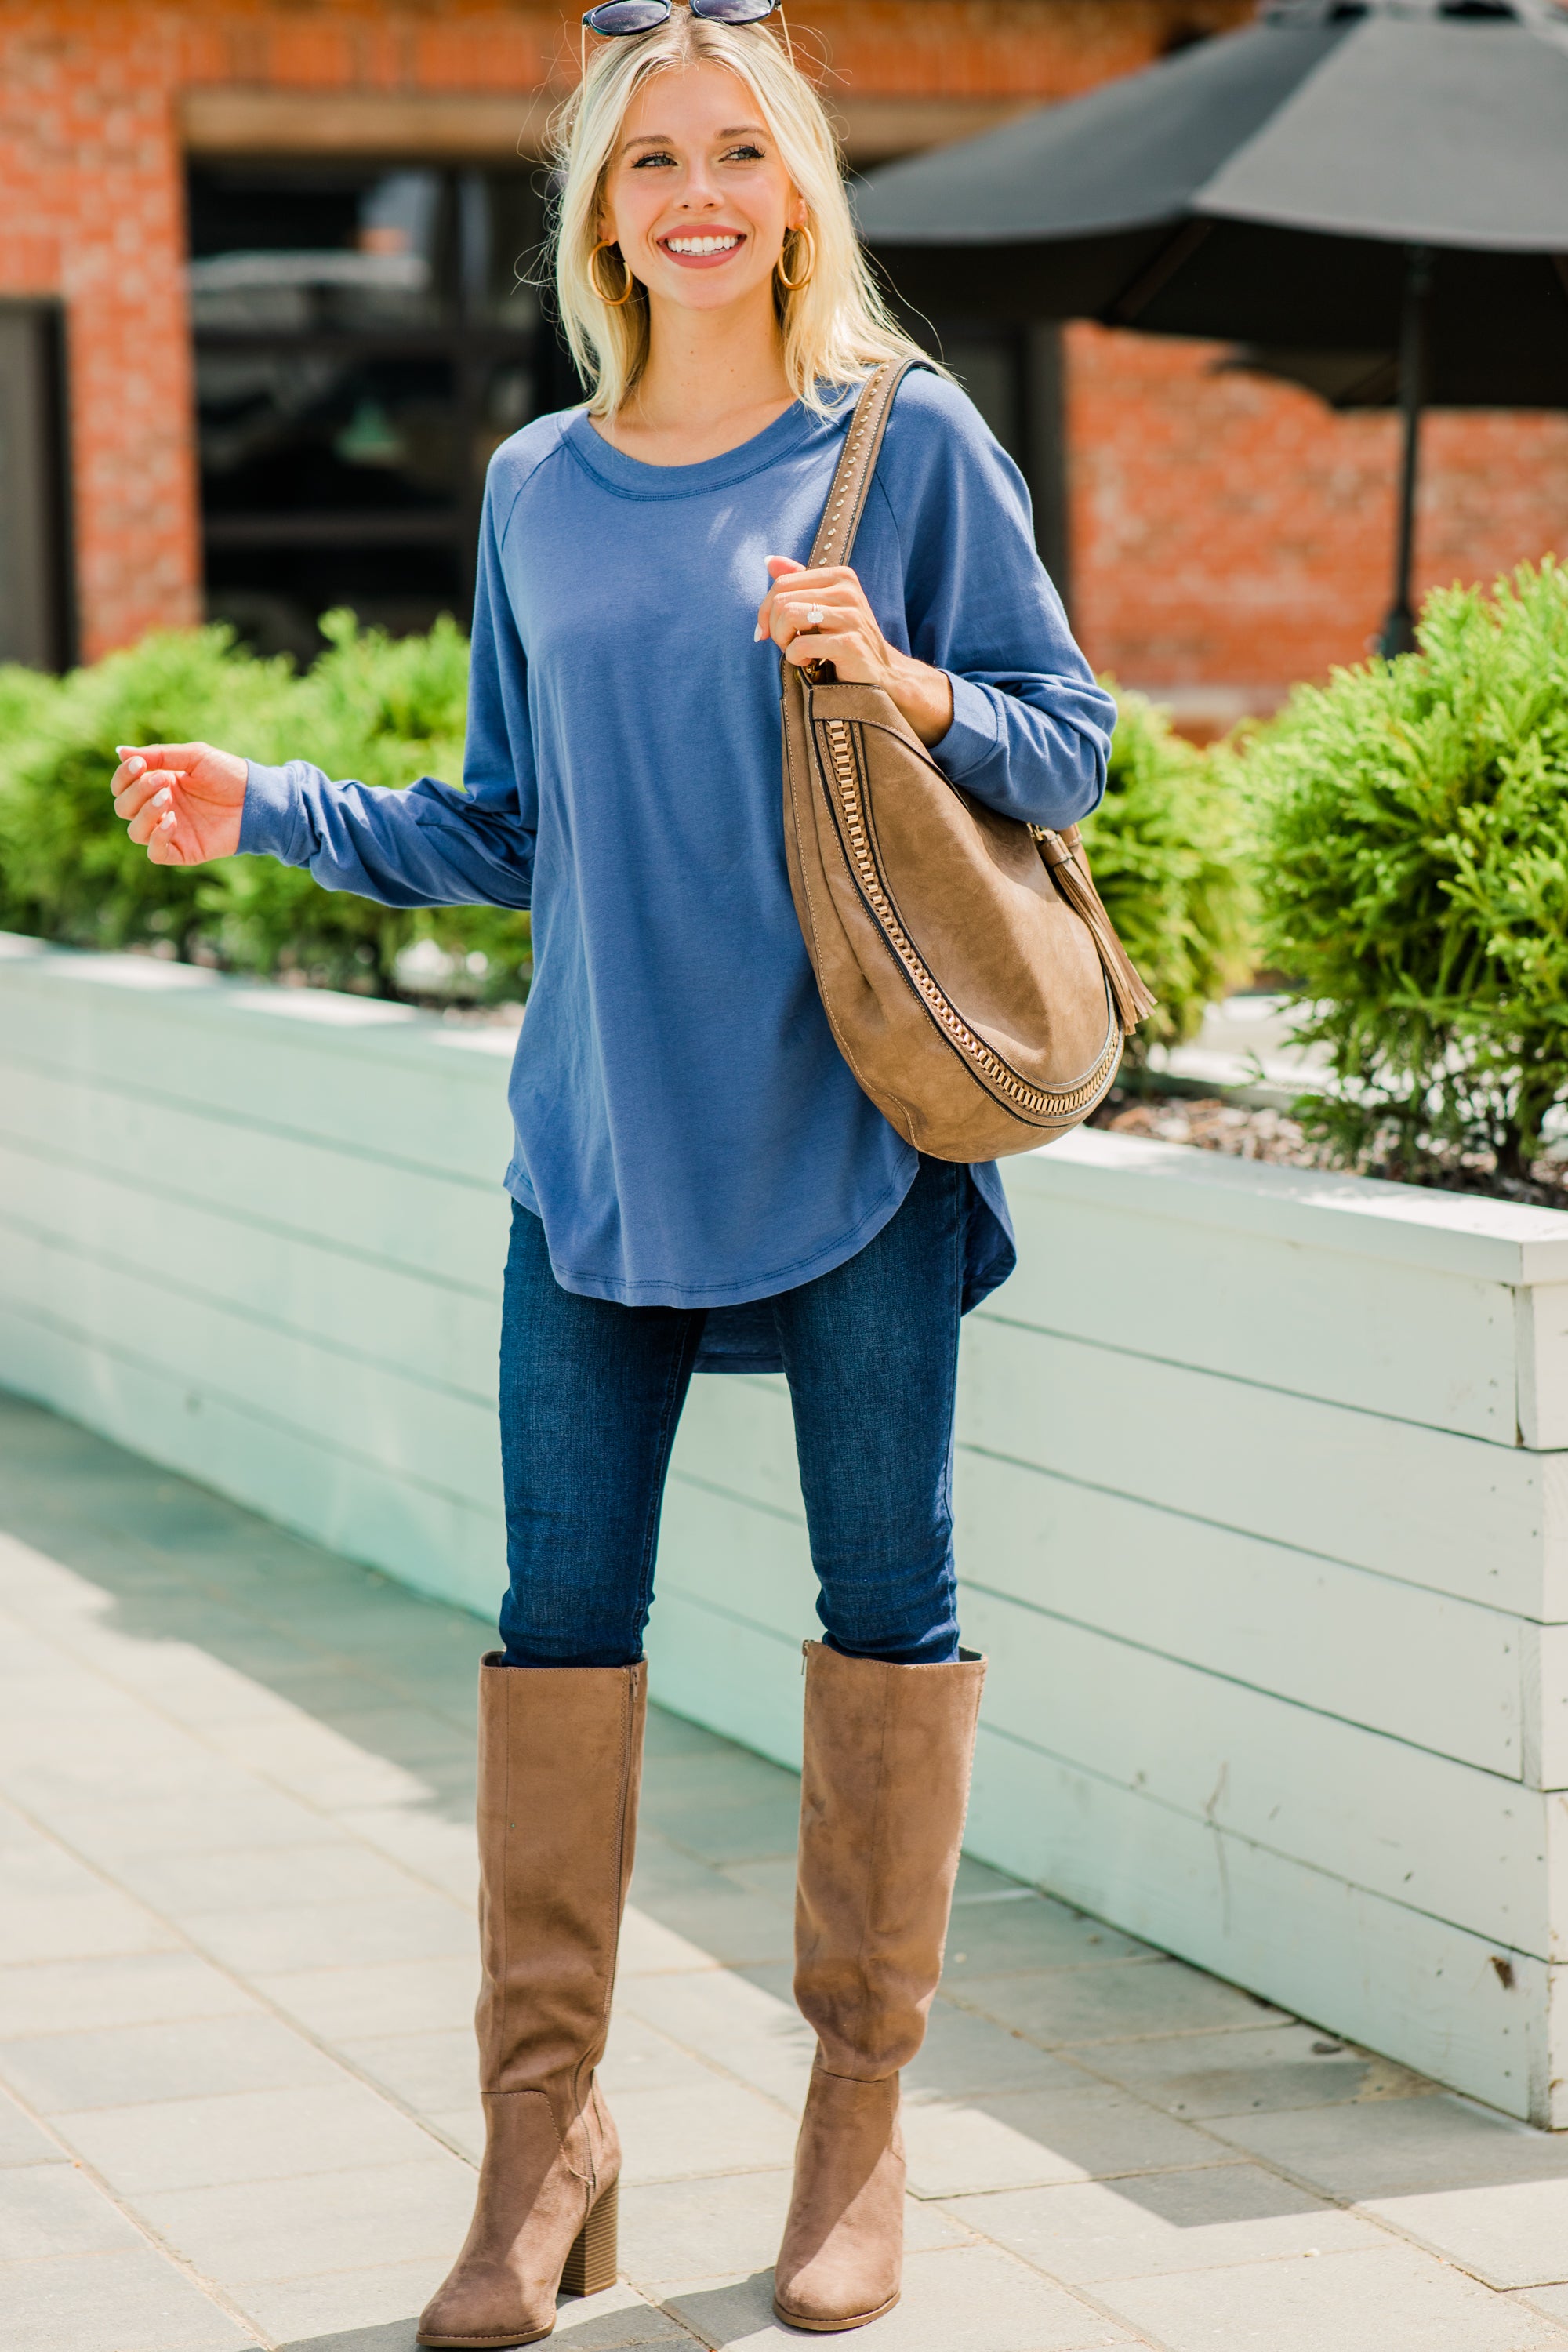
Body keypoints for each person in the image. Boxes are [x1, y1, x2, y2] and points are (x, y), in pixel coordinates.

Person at [109, 5, 1115, 2342]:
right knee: (558, 1636)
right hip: (590, 1167)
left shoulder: (904, 445)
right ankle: (543, 2144)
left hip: (855, 1144)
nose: (696, 191)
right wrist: (270, 802)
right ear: (599, 203)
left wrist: (904, 682)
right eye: (650, 154)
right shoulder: (536, 486)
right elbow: (501, 818)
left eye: (736, 149)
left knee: (893, 1616)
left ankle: (857, 2119)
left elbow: (1068, 745)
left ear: (795, 187)